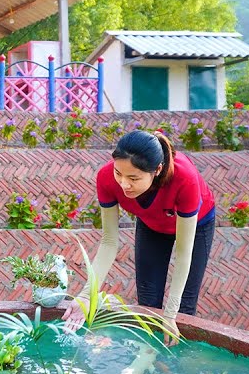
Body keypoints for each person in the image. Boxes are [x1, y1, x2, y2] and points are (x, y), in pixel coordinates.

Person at [64, 130, 216, 343]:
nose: (124, 184)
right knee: (148, 305)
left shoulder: (185, 179)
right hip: (152, 224)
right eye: (119, 173)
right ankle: (148, 369)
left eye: (133, 178)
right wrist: (85, 296)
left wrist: (171, 314)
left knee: (182, 311)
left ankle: (173, 370)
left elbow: (183, 254)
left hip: (197, 225)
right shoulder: (106, 178)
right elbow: (108, 242)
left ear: (157, 170)